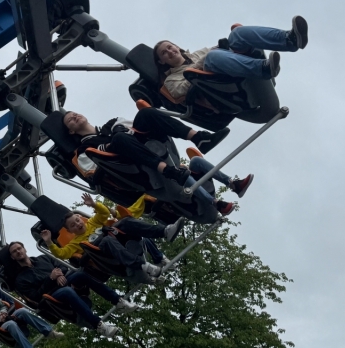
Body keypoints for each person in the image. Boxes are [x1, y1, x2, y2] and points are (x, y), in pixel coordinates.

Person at [63, 108, 235, 217]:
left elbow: (131, 127)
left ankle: (199, 138)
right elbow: (96, 170)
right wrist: (112, 145)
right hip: (140, 174)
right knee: (120, 139)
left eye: (75, 113)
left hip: (156, 149)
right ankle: (166, 170)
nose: (74, 116)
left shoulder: (112, 123)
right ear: (71, 131)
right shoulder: (83, 150)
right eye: (70, 119)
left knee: (146, 114)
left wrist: (117, 137)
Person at [154, 17, 309, 101]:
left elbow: (218, 50)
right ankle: (264, 68)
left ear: (177, 46)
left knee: (237, 33)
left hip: (227, 65)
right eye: (164, 52)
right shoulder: (171, 80)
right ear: (162, 61)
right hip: (216, 85)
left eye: (170, 46)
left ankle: (290, 40)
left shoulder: (197, 53)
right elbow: (180, 91)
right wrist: (202, 63)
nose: (169, 51)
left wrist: (224, 44)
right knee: (212, 56)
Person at [38, 193, 183, 278]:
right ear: (70, 231)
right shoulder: (75, 243)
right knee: (106, 239)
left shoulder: (93, 223)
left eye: (77, 220)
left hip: (120, 240)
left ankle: (164, 232)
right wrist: (50, 242)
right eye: (73, 225)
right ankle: (143, 265)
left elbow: (104, 213)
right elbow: (62, 254)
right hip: (108, 255)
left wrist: (94, 205)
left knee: (126, 222)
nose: (78, 224)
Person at [6, 242, 127, 335]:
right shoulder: (20, 280)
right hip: (53, 295)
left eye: (19, 248)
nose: (18, 251)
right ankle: (99, 325)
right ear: (12, 257)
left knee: (80, 274)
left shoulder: (43, 258)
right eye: (14, 251)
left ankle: (117, 301)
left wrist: (59, 275)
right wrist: (51, 278)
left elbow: (62, 266)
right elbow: (35, 297)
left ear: (24, 249)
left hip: (64, 281)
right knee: (67, 291)